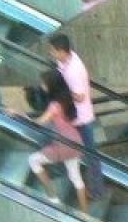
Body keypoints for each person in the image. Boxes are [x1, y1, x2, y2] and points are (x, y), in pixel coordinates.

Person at [46, 34, 104, 199]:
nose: (50, 53)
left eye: (52, 50)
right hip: (70, 117)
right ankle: (78, 182)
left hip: (81, 120)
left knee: (90, 155)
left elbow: (80, 97)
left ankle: (96, 190)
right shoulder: (64, 61)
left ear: (62, 51)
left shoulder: (75, 70)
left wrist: (61, 90)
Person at [25, 69, 87, 210]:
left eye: (44, 83)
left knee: (33, 160)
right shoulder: (68, 97)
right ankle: (85, 214)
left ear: (51, 85)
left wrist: (19, 114)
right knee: (76, 179)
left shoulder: (54, 106)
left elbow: (38, 122)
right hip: (75, 141)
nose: (42, 85)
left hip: (63, 143)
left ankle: (53, 197)